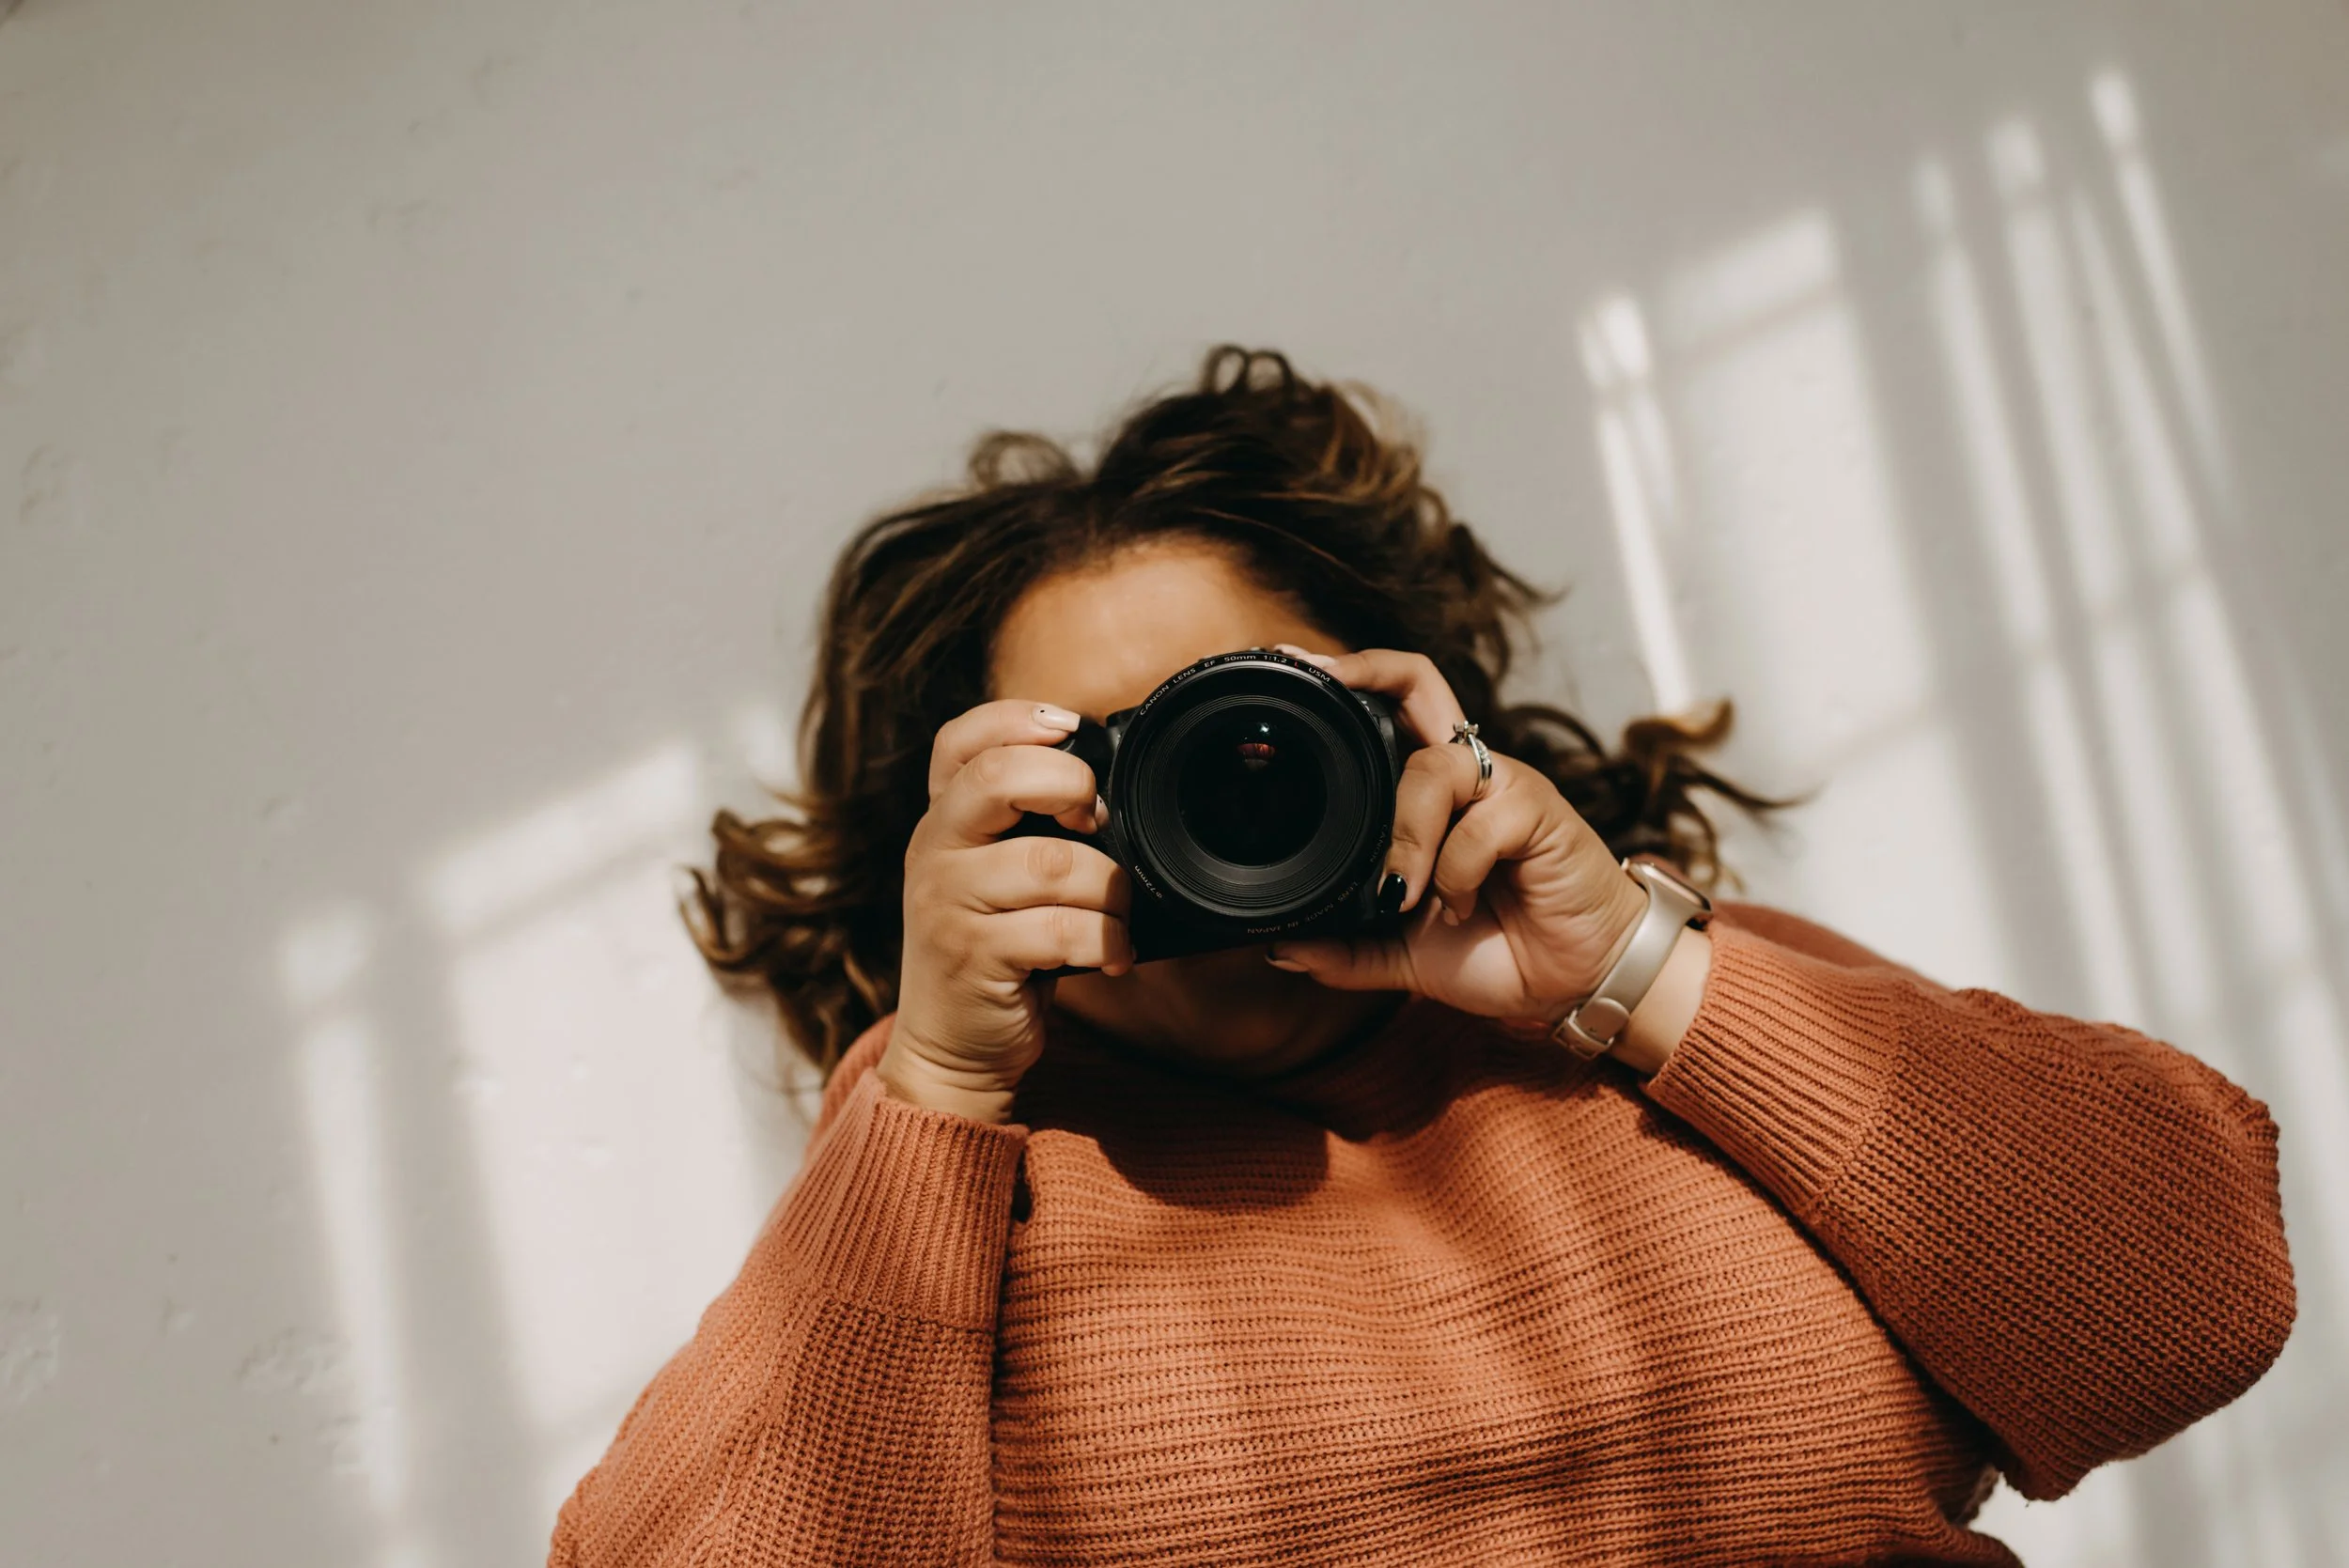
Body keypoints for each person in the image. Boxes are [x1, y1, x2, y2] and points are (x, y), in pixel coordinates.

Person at [548, 347, 2295, 1566]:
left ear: (1405, 714)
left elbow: (2196, 1304)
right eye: (1098, 760)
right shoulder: (948, 1167)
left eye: (1246, 732)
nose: (1196, 806)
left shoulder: (1669, 990)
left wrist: (1634, 974)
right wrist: (932, 1089)